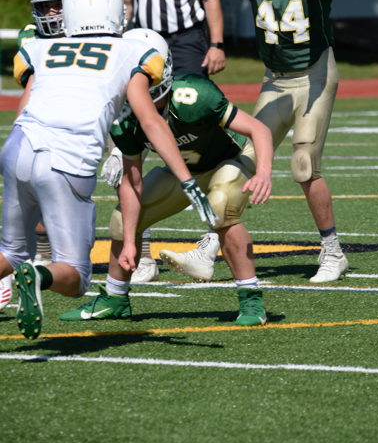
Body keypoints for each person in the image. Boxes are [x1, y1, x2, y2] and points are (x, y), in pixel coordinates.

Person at [0, 0, 216, 340]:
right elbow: (150, 121)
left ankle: (28, 269)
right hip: (66, 160)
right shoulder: (130, 52)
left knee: (10, 250)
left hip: (18, 148)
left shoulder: (41, 48)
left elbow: (25, 109)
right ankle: (39, 276)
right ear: (117, 15)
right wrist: (187, 180)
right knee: (76, 276)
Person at [60, 29, 273, 326]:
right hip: (183, 172)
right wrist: (131, 240)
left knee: (222, 205)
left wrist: (263, 173)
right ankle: (115, 297)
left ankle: (251, 299)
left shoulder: (193, 95)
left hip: (231, 158)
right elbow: (131, 182)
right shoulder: (124, 117)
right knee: (123, 220)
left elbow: (258, 130)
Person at [222, 0, 349, 283]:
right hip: (274, 79)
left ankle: (332, 251)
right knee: (244, 158)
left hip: (314, 75)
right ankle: (212, 240)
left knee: (304, 163)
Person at [117, 0, 227, 280]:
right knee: (136, 137)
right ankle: (143, 252)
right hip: (145, 46)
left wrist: (216, 43)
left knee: (195, 125)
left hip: (185, 42)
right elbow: (125, 2)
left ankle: (213, 233)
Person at [15, 0, 82, 267]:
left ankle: (141, 253)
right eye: (45, 6)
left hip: (98, 117)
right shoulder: (31, 38)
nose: (52, 12)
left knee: (126, 177)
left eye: (58, 4)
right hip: (52, 119)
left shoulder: (99, 33)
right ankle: (43, 250)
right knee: (39, 179)